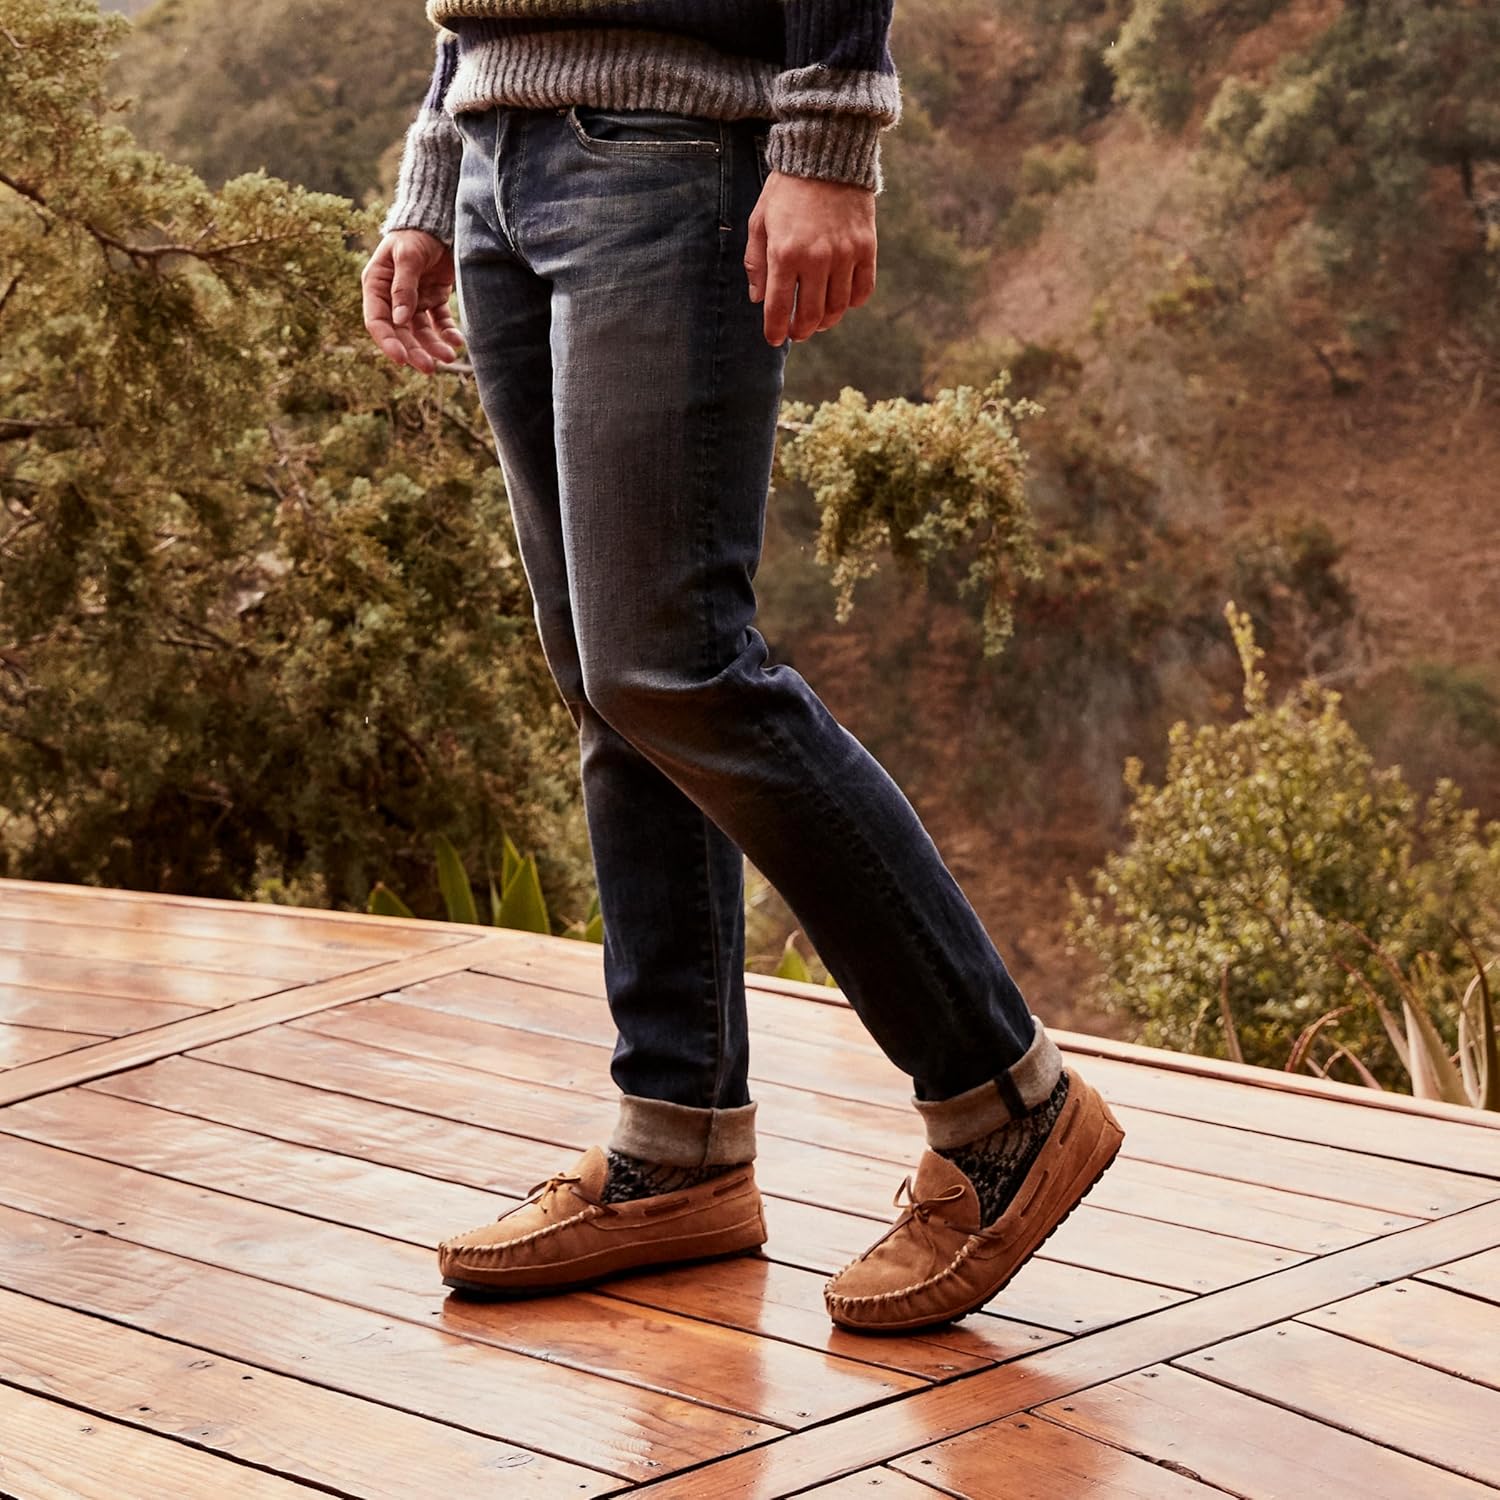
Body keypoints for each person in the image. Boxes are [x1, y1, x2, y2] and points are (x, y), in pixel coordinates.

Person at [361, 0, 1124, 1335]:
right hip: (497, 144)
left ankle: (1008, 1105)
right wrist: (440, 155)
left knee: (676, 669)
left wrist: (830, 136)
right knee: (614, 688)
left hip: (671, 142)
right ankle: (681, 1143)